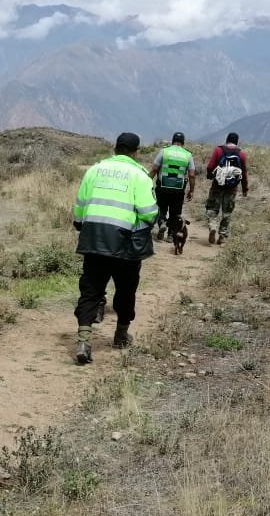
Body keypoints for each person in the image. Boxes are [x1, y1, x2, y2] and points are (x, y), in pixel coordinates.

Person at [71, 132, 158, 364]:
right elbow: (150, 213)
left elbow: (80, 207)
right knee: (126, 289)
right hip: (124, 244)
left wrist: (83, 226)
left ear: (114, 148)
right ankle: (120, 335)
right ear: (136, 152)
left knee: (91, 290)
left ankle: (83, 341)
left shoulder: (94, 170)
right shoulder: (140, 175)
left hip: (94, 239)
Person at [204, 132, 249, 245]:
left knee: (212, 208)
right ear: (237, 141)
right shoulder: (241, 154)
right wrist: (245, 188)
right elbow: (244, 172)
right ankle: (222, 235)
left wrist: (210, 175)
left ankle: (213, 227)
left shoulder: (218, 150)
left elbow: (210, 166)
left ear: (227, 140)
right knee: (227, 211)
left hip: (217, 185)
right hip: (232, 187)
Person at [149, 132, 196, 241]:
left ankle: (162, 223)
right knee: (175, 212)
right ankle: (171, 235)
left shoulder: (164, 151)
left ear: (172, 141)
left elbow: (155, 169)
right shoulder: (188, 155)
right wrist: (192, 190)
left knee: (161, 208)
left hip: (163, 187)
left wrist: (146, 181)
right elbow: (192, 174)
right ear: (183, 143)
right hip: (178, 189)